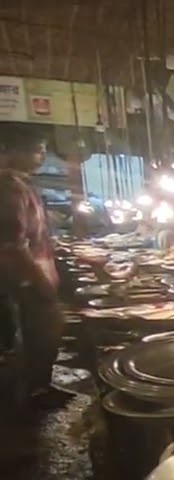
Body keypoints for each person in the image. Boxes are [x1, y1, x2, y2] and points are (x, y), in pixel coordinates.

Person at [0, 127, 65, 408]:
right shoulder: (9, 188)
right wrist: (42, 281)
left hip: (29, 279)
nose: (42, 156)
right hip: (24, 281)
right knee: (36, 336)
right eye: (38, 149)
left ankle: (40, 386)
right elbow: (13, 244)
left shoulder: (20, 185)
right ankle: (34, 394)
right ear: (14, 151)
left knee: (44, 335)